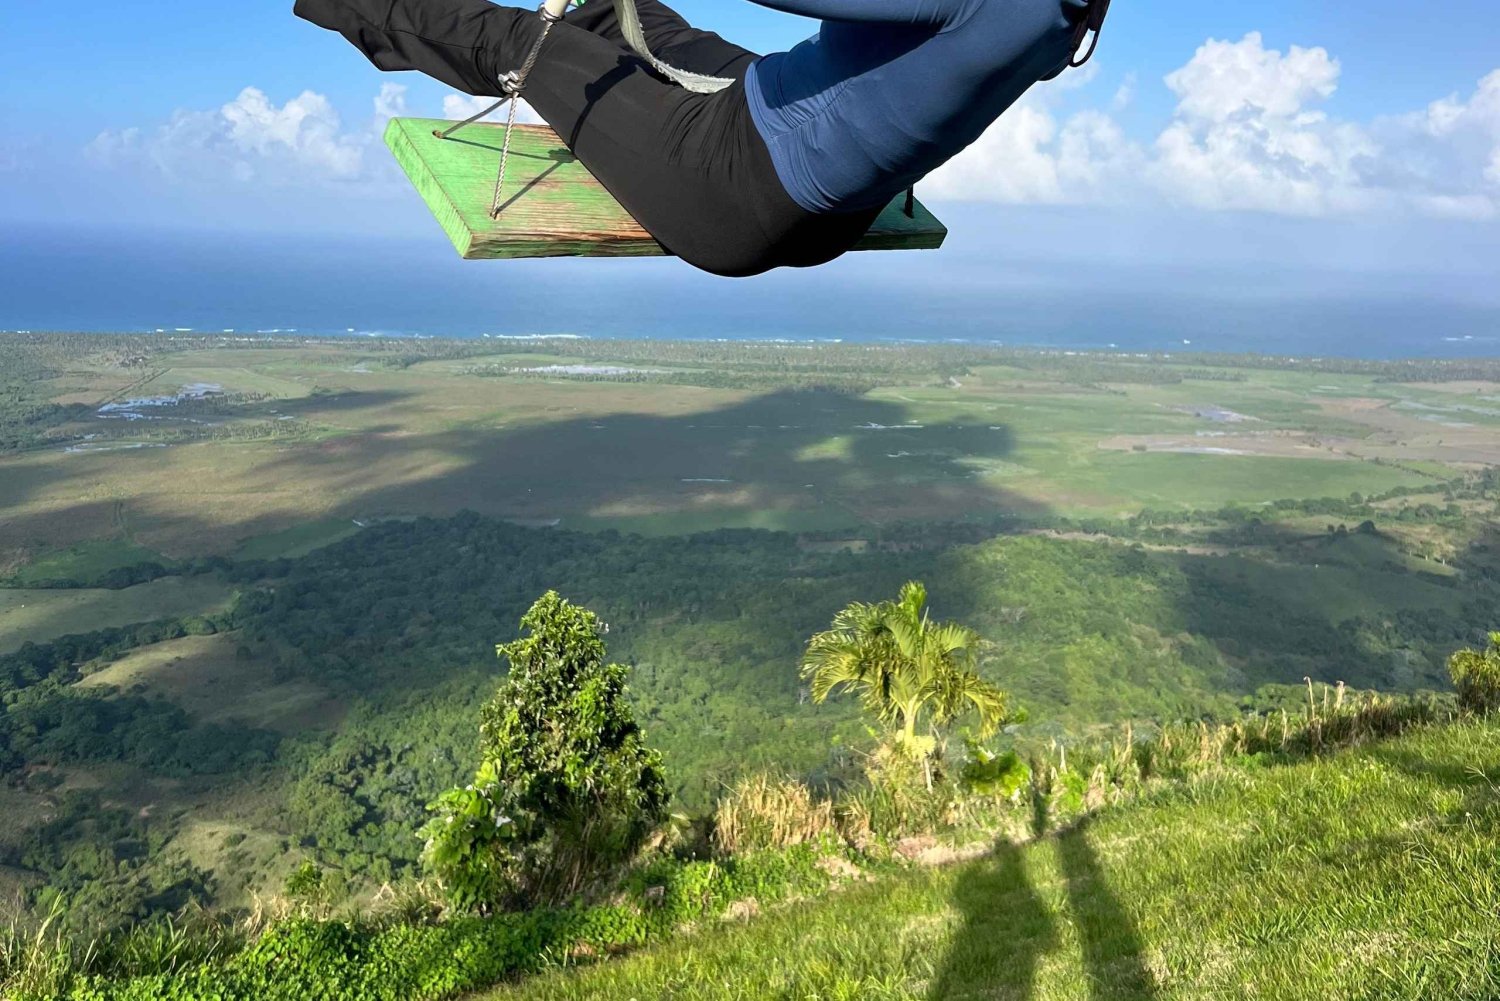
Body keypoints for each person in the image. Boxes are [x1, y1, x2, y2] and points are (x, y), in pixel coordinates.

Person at [294, 0, 1108, 277]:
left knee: (523, 45)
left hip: (729, 185)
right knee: (643, 23)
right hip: (821, 191)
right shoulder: (1068, 20)